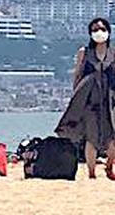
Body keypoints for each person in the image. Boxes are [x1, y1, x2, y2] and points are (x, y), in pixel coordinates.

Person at [56, 17, 115, 179]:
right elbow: (78, 74)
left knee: (112, 135)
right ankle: (91, 172)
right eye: (95, 29)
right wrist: (76, 96)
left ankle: (109, 165)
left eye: (102, 29)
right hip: (89, 99)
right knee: (91, 136)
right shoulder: (84, 52)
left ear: (108, 31)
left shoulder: (113, 52)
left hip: (109, 99)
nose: (99, 32)